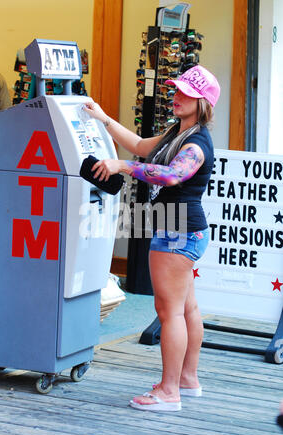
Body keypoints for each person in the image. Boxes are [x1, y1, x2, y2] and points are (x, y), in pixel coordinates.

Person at [83, 64, 220, 412]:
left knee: (169, 312)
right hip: (179, 227)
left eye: (187, 92)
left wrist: (122, 167)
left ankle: (169, 391)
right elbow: (141, 145)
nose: (177, 96)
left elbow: (172, 176)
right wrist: (102, 118)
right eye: (177, 89)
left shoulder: (197, 143)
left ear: (203, 102)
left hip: (177, 229)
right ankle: (187, 380)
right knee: (186, 308)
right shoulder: (179, 132)